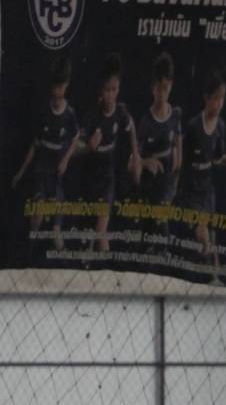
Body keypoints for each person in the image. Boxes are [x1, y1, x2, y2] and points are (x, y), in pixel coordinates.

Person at [177, 67, 226, 277]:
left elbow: (218, 160)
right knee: (202, 232)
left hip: (207, 188)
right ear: (206, 98)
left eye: (222, 98)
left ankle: (215, 276)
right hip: (191, 188)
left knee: (212, 234)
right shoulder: (192, 127)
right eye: (216, 98)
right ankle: (202, 263)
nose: (219, 103)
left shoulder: (221, 126)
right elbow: (181, 160)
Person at [11, 56, 79, 252]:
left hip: (57, 178)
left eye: (61, 87)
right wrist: (21, 172)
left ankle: (65, 260)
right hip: (42, 173)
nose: (58, 92)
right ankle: (29, 252)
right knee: (37, 218)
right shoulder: (43, 112)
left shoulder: (70, 114)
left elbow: (75, 138)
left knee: (58, 239)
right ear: (51, 85)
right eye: (55, 87)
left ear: (66, 85)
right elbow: (35, 144)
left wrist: (66, 160)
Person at [78, 52, 139, 254]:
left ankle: (104, 263)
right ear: (100, 89)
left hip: (107, 180)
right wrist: (88, 147)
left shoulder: (121, 112)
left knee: (102, 233)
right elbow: (75, 150)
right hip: (89, 181)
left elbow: (131, 127)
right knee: (89, 236)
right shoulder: (91, 116)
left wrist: (136, 156)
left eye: (115, 90)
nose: (111, 95)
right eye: (107, 90)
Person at [133, 52, 182, 205]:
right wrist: (146, 162)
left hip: (167, 193)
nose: (161, 94)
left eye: (165, 89)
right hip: (148, 192)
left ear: (171, 86)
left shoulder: (176, 115)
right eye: (159, 88)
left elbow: (179, 159)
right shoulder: (146, 122)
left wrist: (174, 185)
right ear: (153, 88)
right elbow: (132, 163)